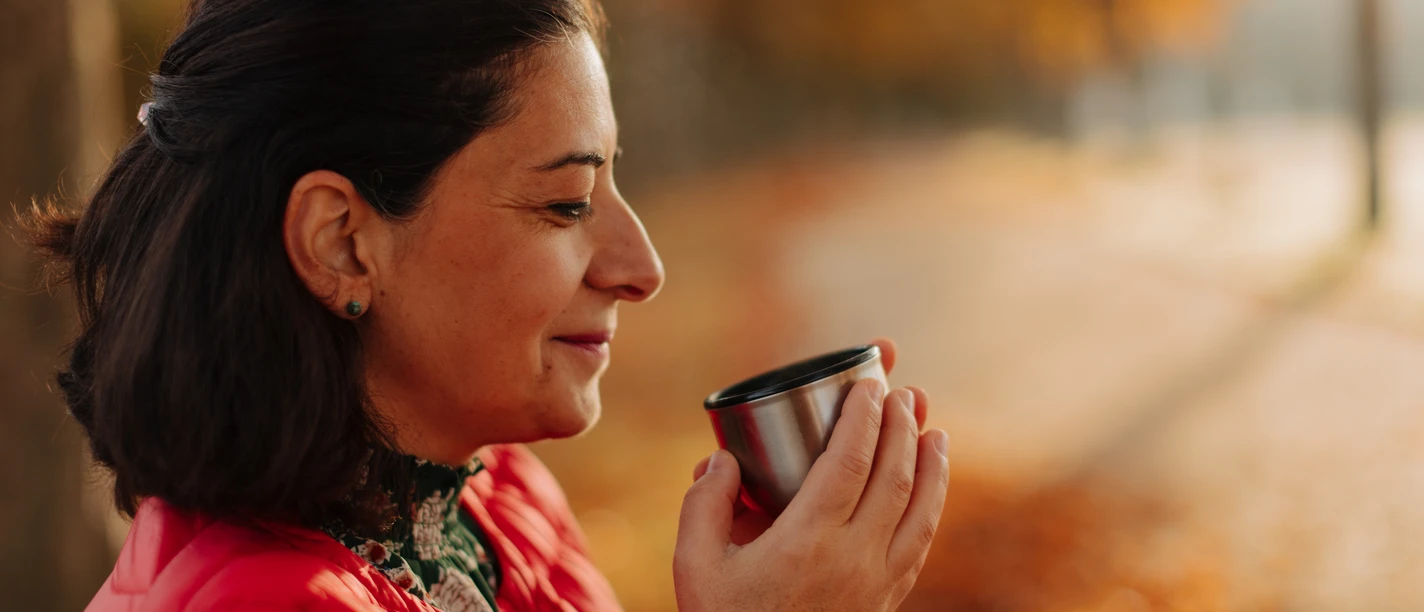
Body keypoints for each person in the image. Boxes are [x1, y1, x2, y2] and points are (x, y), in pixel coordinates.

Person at [26, 0, 950, 610]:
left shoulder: (495, 495)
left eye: (612, 182)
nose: (642, 266)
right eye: (565, 204)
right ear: (342, 242)